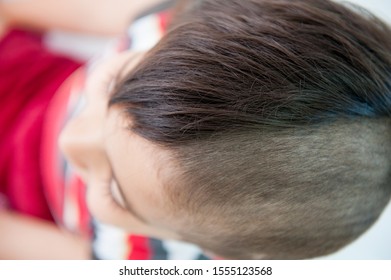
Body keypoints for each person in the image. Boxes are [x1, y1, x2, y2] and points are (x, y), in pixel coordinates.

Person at [1, 0, 391, 259]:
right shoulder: (167, 29)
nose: (72, 140)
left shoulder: (135, 255)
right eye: (112, 85)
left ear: (186, 240)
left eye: (114, 189)